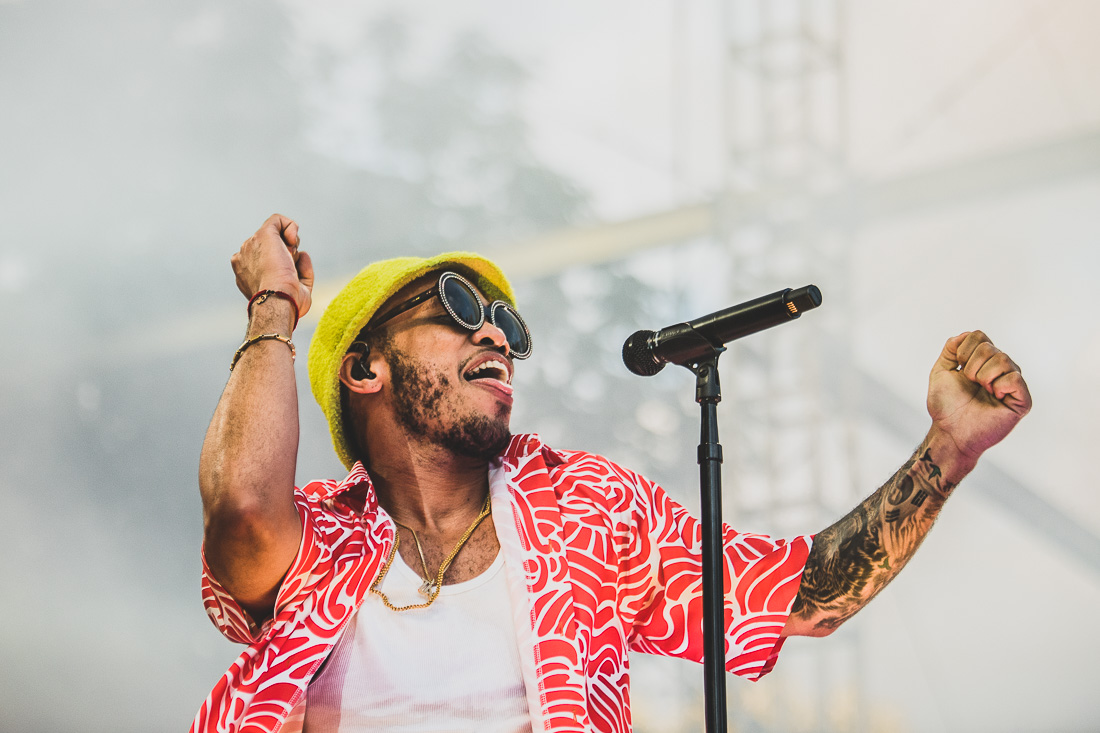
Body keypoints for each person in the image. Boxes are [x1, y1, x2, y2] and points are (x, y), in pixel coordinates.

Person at [192, 214, 1032, 733]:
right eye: (455, 307)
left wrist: (947, 449)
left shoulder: (586, 509)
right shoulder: (320, 539)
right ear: (365, 369)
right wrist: (273, 307)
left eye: (506, 324)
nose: (494, 336)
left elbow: (804, 596)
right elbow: (242, 515)